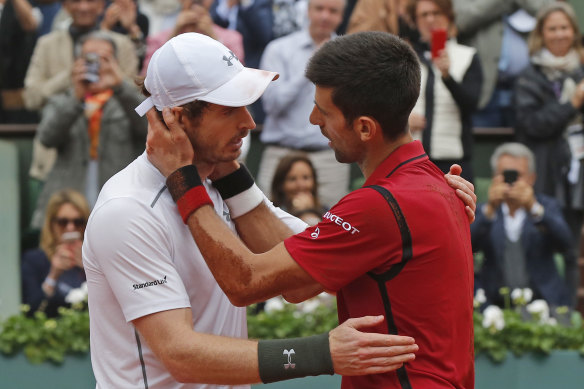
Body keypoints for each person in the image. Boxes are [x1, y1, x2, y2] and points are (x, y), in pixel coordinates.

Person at [83, 32, 422, 388]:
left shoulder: (223, 184)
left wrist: (424, 196)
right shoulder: (126, 211)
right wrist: (321, 354)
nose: (249, 122)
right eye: (230, 110)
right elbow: (179, 354)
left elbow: (306, 276)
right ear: (177, 119)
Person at [147, 31, 477, 388]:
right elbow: (296, 286)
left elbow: (246, 282)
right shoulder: (435, 185)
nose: (312, 119)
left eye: (324, 111)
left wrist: (182, 179)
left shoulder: (379, 205)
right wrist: (227, 167)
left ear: (365, 128)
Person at [30, 31, 147, 228]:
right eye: (89, 58)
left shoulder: (128, 100)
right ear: (77, 62)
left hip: (117, 206)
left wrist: (120, 86)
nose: (97, 65)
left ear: (115, 63)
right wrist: (77, 96)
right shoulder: (64, 99)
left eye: (104, 59)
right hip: (69, 209)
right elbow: (47, 137)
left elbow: (148, 128)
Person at [514, 2, 584, 282]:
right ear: (541, 34)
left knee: (570, 249)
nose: (559, 34)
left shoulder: (581, 71)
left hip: (576, 177)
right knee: (541, 245)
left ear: (574, 31)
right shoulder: (528, 77)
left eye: (564, 27)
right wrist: (573, 103)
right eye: (552, 28)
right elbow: (533, 125)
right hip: (543, 173)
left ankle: (568, 320)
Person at [257, 0, 349, 208]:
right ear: (308, 11)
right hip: (280, 155)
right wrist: (314, 63)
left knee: (331, 230)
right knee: (266, 230)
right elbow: (273, 105)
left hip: (329, 160)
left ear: (341, 17)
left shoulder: (348, 56)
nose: (325, 16)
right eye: (319, 9)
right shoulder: (278, 49)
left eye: (333, 11)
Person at [472, 142, 575, 309]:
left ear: (531, 178)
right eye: (505, 175)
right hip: (496, 306)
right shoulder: (484, 211)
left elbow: (566, 243)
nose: (511, 182)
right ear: (494, 177)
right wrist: (490, 209)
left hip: (544, 305)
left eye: (517, 176)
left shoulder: (546, 206)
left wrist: (533, 207)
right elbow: (465, 245)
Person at [407, 0, 482, 182]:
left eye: (436, 13)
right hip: (412, 159)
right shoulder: (406, 57)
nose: (430, 19)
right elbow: (387, 101)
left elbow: (472, 104)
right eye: (424, 15)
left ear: (448, 18)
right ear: (415, 22)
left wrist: (448, 77)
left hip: (453, 162)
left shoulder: (467, 56)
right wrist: (403, 119)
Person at [453, 0, 553, 128]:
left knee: (526, 145)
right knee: (484, 143)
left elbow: (551, 13)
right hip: (484, 90)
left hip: (528, 90)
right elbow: (460, 20)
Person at [22, 189, 89, 317]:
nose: (70, 227)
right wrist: (53, 276)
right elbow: (31, 313)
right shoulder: (34, 260)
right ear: (52, 225)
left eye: (78, 222)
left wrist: (89, 267)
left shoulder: (96, 260)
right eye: (63, 222)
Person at [142, 0, 244, 76]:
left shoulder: (232, 38)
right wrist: (175, 33)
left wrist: (213, 37)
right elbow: (147, 77)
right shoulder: (158, 38)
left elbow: (238, 74)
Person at [270, 153, 325, 226]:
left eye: (306, 178)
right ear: (280, 184)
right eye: (292, 179)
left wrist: (309, 211)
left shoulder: (327, 213)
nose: (301, 185)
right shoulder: (271, 214)